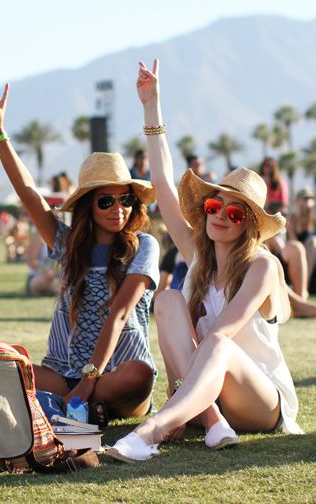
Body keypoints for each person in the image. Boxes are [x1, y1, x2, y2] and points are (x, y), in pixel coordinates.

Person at [106, 59, 303, 463]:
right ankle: (212, 421)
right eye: (215, 204)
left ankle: (152, 430)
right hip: (208, 394)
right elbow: (161, 183)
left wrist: (177, 390)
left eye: (233, 213)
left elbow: (223, 336)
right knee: (166, 300)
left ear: (248, 224)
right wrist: (151, 106)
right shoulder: (199, 257)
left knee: (218, 341)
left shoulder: (262, 266)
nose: (218, 215)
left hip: (260, 401)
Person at [0, 83, 160, 422]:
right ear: (88, 207)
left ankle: (72, 404)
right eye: (106, 201)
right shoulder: (68, 246)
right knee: (1, 369)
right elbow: (28, 193)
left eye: (125, 199)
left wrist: (90, 380)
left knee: (140, 375)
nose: (118, 209)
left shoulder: (144, 246)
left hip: (116, 373)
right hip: (64, 373)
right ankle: (80, 407)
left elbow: (120, 314)